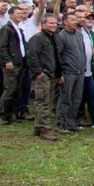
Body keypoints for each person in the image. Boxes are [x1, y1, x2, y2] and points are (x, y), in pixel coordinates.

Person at [25, 13, 60, 141]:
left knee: (46, 101)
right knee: (43, 102)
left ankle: (38, 127)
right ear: (43, 24)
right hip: (43, 75)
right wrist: (38, 72)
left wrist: (57, 74)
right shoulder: (37, 38)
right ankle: (44, 129)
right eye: (51, 23)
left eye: (55, 23)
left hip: (51, 74)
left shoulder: (52, 37)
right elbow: (32, 56)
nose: (54, 25)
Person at [0, 3, 30, 125]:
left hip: (20, 63)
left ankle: (10, 114)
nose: (20, 15)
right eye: (17, 13)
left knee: (16, 90)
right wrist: (7, 61)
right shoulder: (6, 29)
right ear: (11, 15)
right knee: (9, 90)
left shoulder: (18, 29)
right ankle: (0, 115)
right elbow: (1, 46)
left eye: (21, 13)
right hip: (12, 64)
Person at [54, 10, 87, 134]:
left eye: (75, 20)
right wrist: (60, 72)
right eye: (72, 20)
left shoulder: (78, 34)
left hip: (80, 71)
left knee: (77, 98)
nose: (75, 22)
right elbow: (59, 55)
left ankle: (71, 122)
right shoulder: (61, 36)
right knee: (65, 98)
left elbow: (82, 52)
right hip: (68, 72)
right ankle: (60, 123)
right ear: (65, 22)